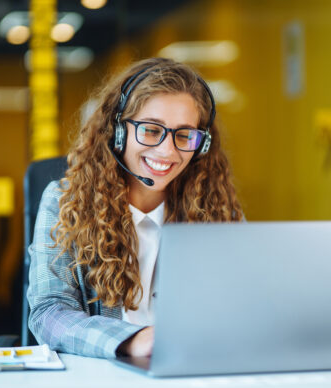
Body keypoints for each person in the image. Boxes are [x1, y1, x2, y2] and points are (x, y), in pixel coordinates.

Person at [27, 57, 243, 359]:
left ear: (201, 145)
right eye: (152, 130)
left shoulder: (218, 210)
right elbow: (49, 314)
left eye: (184, 135)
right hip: (105, 374)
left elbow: (242, 306)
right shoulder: (65, 202)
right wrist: (132, 340)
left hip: (190, 371)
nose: (167, 151)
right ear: (117, 131)